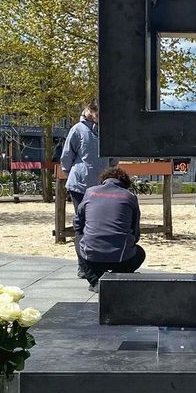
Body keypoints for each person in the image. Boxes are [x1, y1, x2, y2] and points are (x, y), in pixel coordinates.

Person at [73, 167, 145, 291]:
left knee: (78, 241)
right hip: (121, 257)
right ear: (125, 183)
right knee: (140, 253)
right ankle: (116, 276)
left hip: (92, 257)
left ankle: (95, 280)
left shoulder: (90, 192)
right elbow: (135, 230)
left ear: (103, 180)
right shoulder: (130, 196)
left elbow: (78, 222)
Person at [60, 99, 110, 277]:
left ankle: (97, 263)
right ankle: (83, 264)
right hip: (80, 185)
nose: (99, 118)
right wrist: (70, 173)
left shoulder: (105, 131)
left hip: (101, 186)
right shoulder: (77, 130)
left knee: (99, 225)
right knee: (82, 224)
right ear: (89, 110)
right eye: (97, 114)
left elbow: (113, 157)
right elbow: (67, 156)